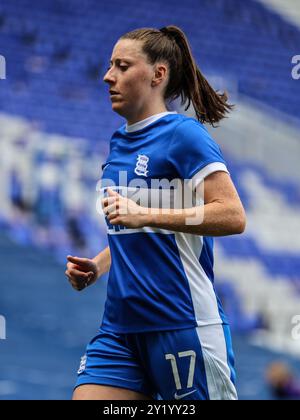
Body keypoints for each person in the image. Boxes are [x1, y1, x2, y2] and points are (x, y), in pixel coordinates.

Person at [65, 25, 246, 401]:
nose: (107, 75)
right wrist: (98, 266)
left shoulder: (184, 135)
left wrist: (145, 214)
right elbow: (132, 229)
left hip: (182, 323)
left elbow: (231, 215)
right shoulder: (119, 140)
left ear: (157, 75)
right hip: (120, 327)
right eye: (110, 65)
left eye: (122, 65)